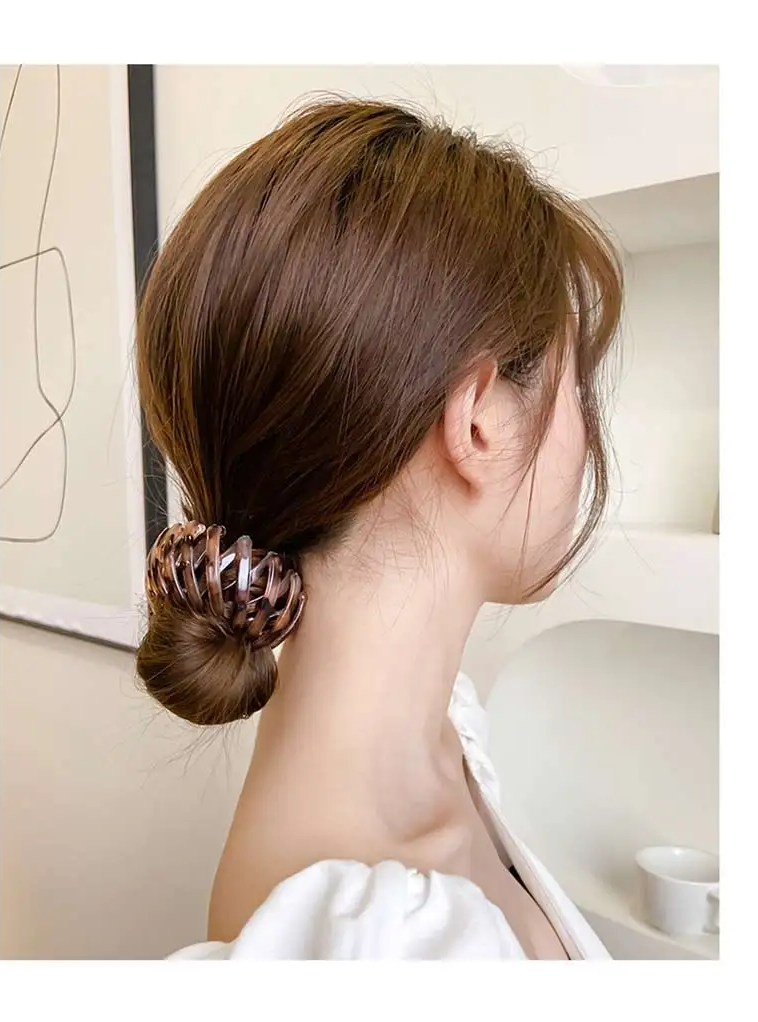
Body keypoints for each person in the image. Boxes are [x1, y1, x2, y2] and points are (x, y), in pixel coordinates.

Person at [136, 97, 623, 960]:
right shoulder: (379, 951)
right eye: (573, 381)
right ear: (478, 423)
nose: (585, 429)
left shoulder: (443, 736)